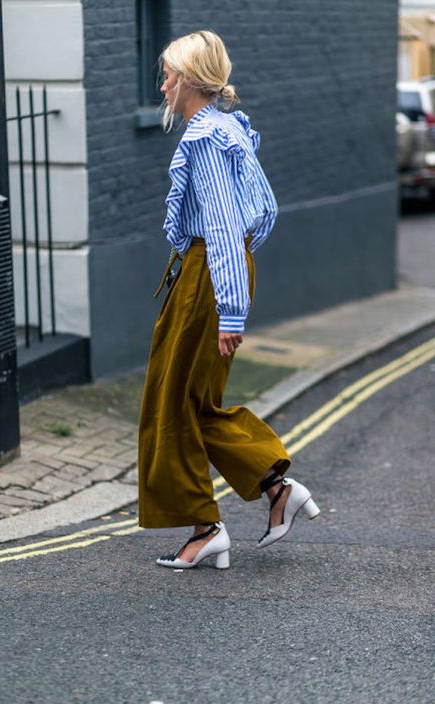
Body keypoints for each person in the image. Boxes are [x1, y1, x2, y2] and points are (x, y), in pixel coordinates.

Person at [138, 30, 320, 570]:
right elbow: (263, 211)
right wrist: (240, 267)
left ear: (191, 80)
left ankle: (207, 525)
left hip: (208, 277)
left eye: (169, 74)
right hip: (212, 272)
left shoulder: (206, 138)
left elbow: (221, 227)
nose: (163, 84)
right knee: (190, 402)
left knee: (171, 403)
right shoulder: (227, 129)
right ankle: (273, 489)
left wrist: (229, 303)